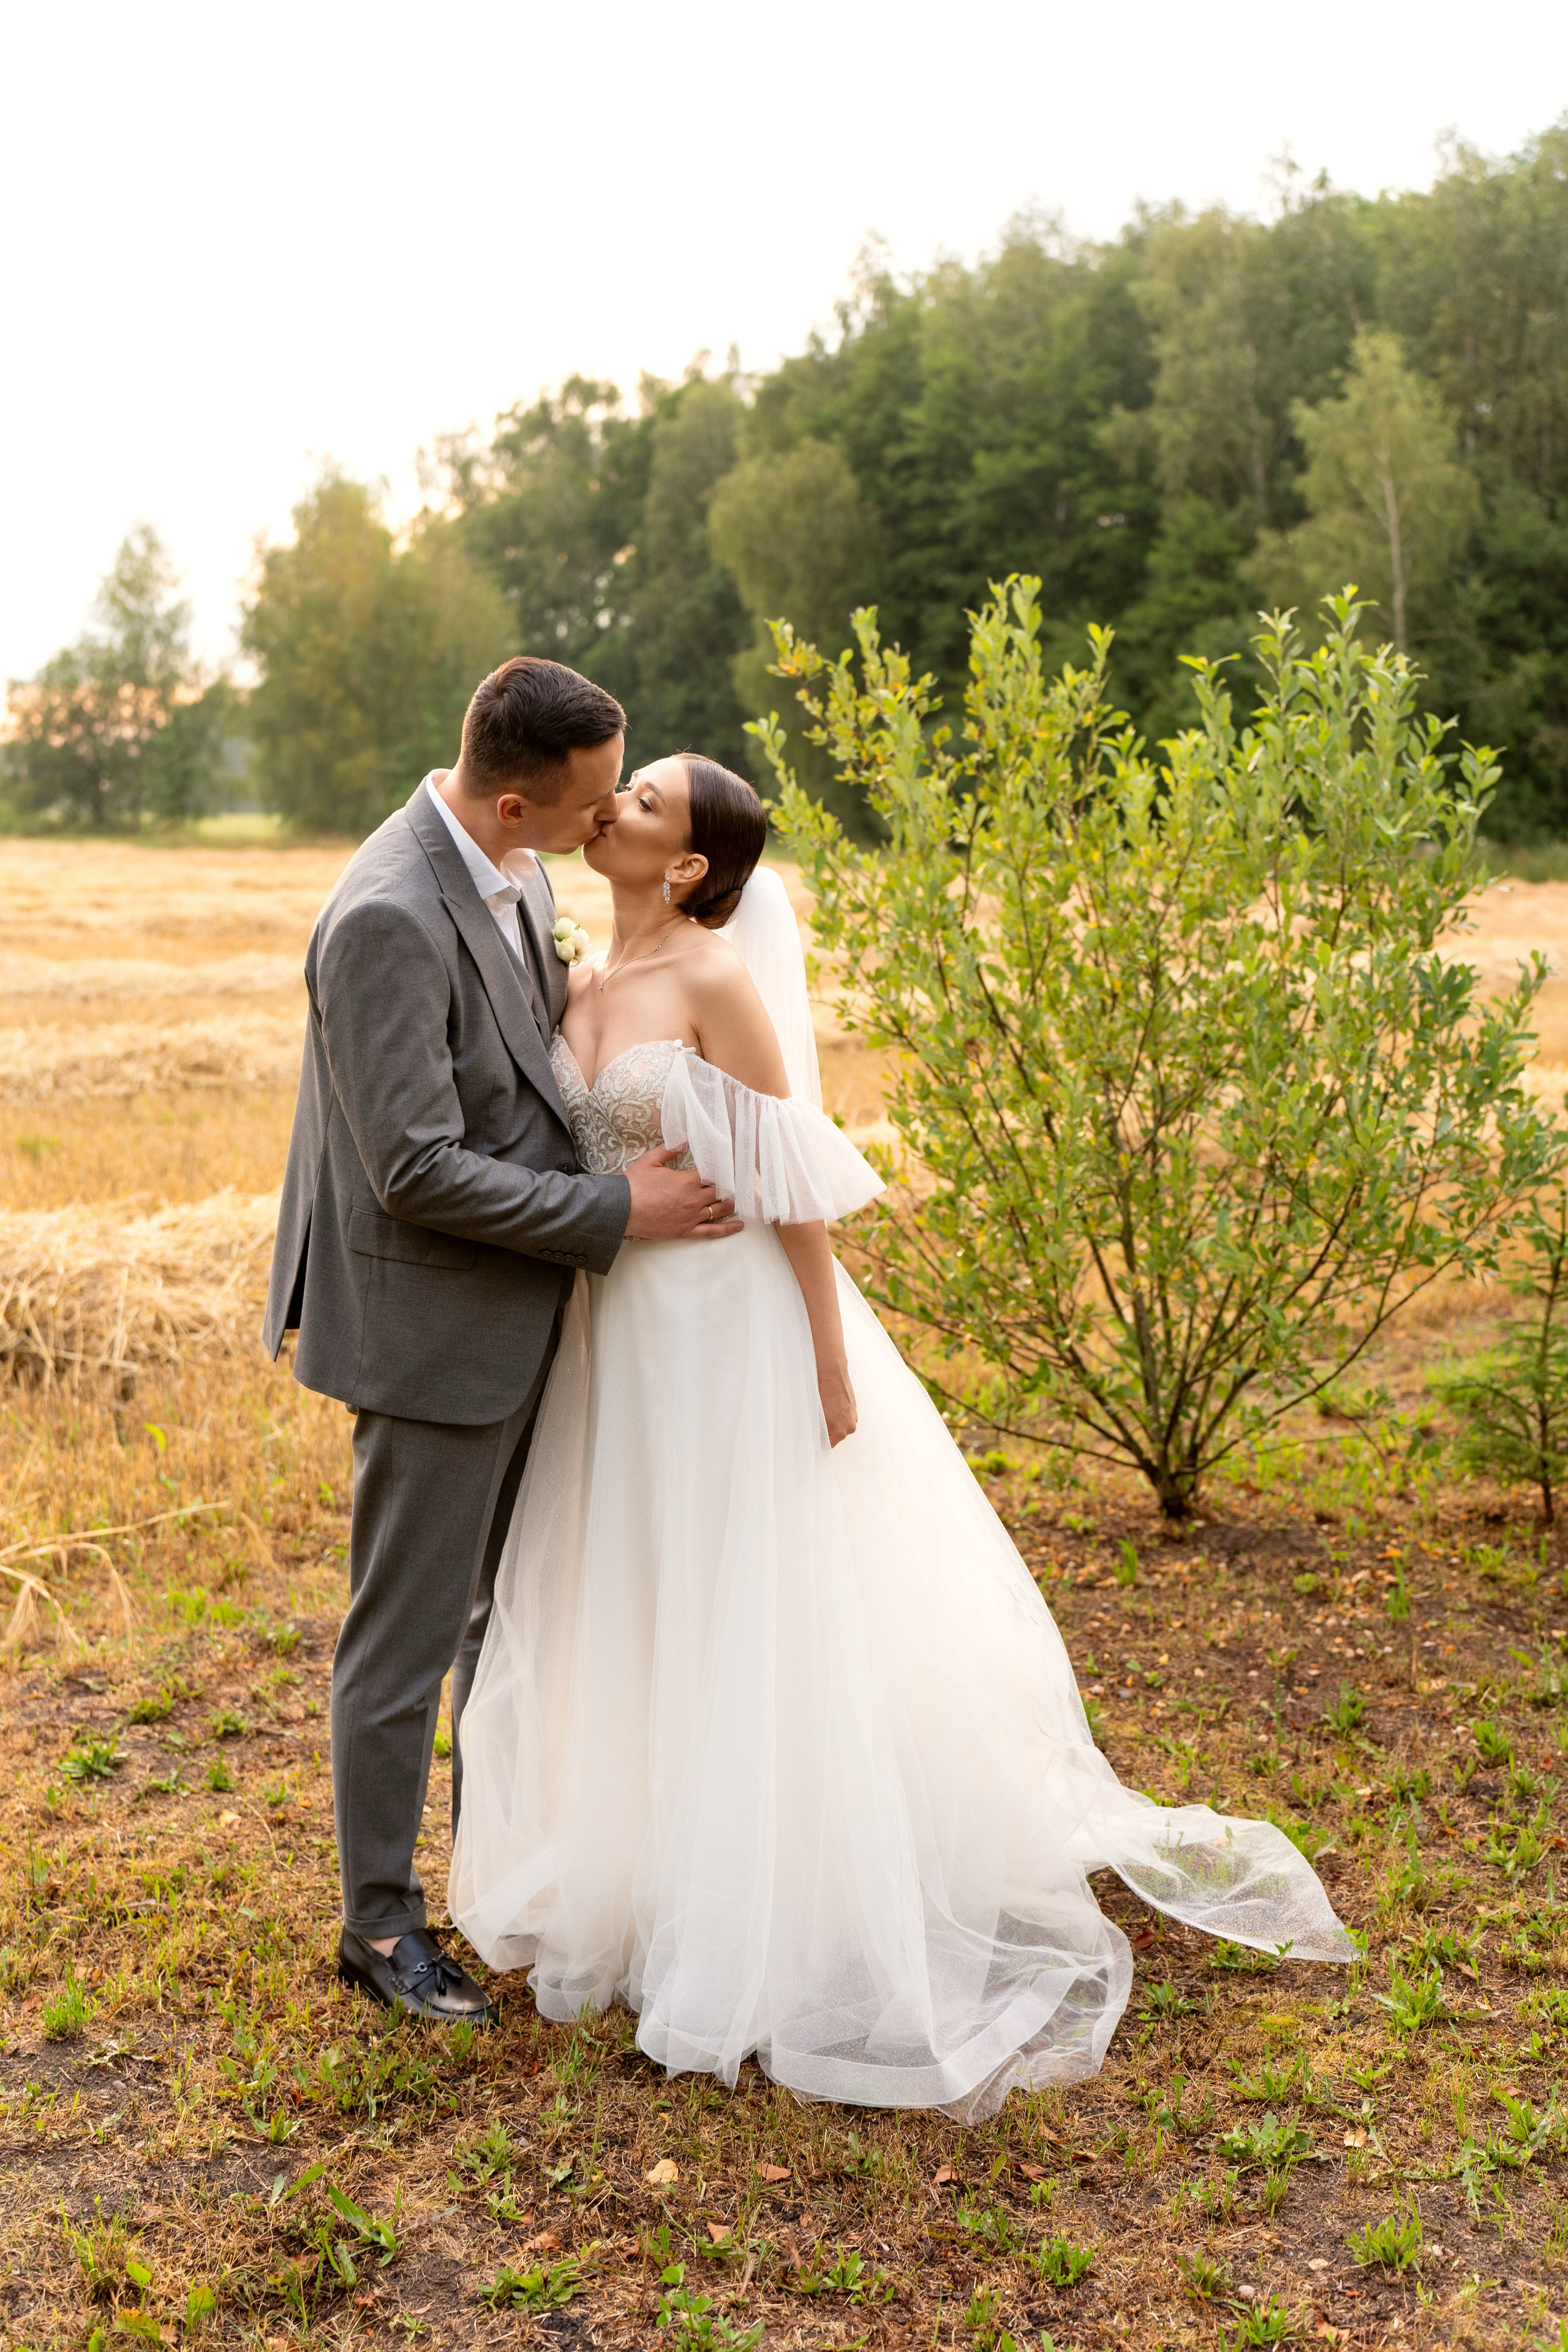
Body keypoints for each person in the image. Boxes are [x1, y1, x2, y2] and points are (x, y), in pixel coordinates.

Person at [448, 753, 1354, 2119]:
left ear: (687, 867)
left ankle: (772, 1901)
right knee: (639, 1586)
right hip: (615, 1336)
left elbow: (789, 1176)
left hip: (725, 1324)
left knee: (750, 1588)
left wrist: (824, 1343)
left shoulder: (710, 981)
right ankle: (653, 1872)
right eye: (623, 793)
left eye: (645, 806)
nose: (614, 807)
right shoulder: (572, 979)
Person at [263, 660, 742, 2027]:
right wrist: (620, 1207)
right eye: (595, 803)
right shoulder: (384, 917)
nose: (607, 827)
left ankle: (490, 1878)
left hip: (534, 1305)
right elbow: (412, 1166)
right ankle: (381, 1931)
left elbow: (527, 1061)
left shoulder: (518, 871)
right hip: (428, 1319)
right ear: (521, 795)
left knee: (501, 1616)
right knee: (404, 1640)